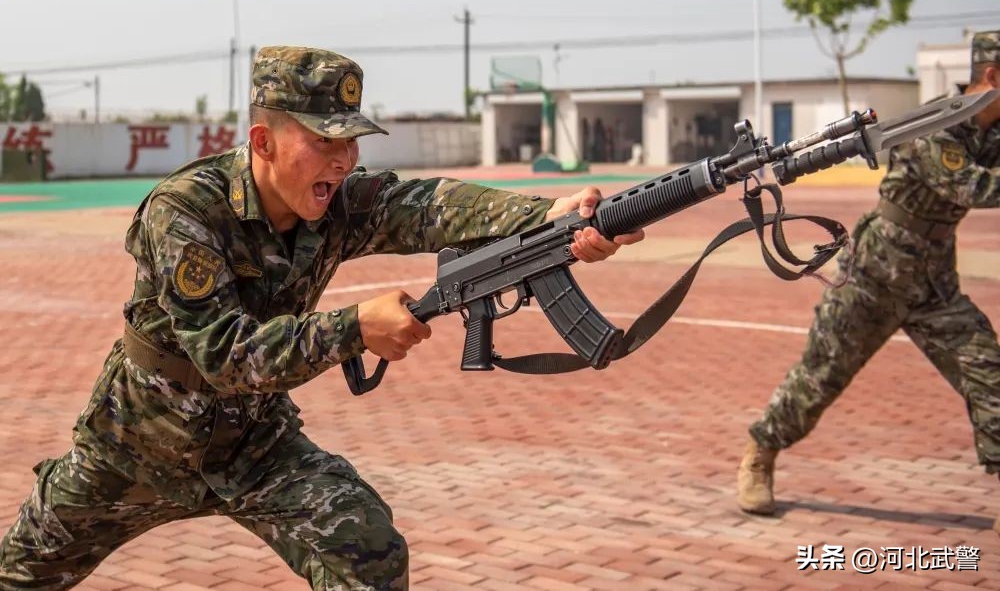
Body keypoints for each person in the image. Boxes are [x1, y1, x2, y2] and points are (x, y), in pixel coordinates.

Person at [0, 46, 644, 590]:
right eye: (323, 141)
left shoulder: (335, 202)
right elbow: (226, 355)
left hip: (255, 448)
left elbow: (429, 206)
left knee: (369, 550)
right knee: (19, 574)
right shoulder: (187, 213)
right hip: (133, 450)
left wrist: (552, 215)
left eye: (350, 143)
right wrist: (354, 328)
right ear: (263, 141)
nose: (342, 161)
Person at [737, 31, 1000, 527]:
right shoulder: (937, 124)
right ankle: (761, 450)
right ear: (992, 76)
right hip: (875, 275)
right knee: (820, 375)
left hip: (935, 284)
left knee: (989, 373)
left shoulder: (995, 130)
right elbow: (972, 186)